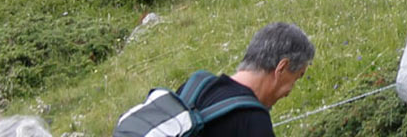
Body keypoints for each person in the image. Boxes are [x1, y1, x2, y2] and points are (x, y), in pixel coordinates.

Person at [123, 23, 313, 137]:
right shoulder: (252, 121)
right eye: (296, 77)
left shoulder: (195, 87)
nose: (290, 90)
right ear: (281, 68)